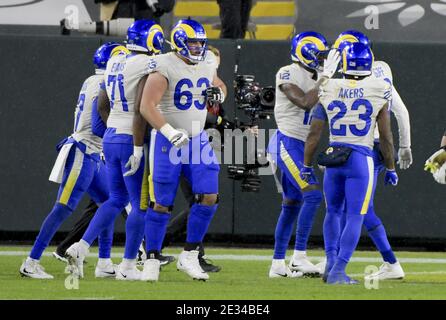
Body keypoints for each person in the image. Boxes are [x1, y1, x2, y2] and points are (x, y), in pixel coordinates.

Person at [65, 20, 165, 280]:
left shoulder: (114, 62)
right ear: (151, 39)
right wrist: (136, 146)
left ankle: (81, 245)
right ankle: (129, 266)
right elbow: (143, 108)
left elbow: (102, 102)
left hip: (111, 137)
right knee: (139, 205)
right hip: (132, 137)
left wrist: (115, 126)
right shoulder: (148, 64)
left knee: (115, 199)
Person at [19, 42, 125, 279]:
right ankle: (31, 261)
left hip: (93, 153)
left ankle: (104, 263)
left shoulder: (93, 80)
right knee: (63, 207)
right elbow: (98, 127)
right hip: (83, 151)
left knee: (108, 202)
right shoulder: (104, 83)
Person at [138, 19, 227, 282]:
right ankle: (152, 257)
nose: (198, 47)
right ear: (178, 42)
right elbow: (147, 105)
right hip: (169, 141)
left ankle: (189, 255)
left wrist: (219, 94)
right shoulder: (165, 63)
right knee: (162, 203)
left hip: (197, 139)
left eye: (201, 42)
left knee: (209, 195)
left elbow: (219, 85)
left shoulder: (208, 60)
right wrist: (168, 131)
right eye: (192, 42)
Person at [303, 42, 397, 284]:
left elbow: (314, 134)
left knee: (332, 212)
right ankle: (337, 271)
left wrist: (306, 165)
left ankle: (331, 263)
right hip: (360, 158)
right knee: (356, 215)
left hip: (334, 157)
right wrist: (390, 167)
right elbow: (386, 137)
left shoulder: (329, 86)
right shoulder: (380, 87)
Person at [328, 30, 411, 281]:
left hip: (364, 149)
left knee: (356, 209)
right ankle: (338, 261)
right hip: (363, 148)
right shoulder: (379, 74)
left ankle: (344, 263)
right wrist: (405, 146)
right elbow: (401, 112)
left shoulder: (343, 79)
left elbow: (395, 113)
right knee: (355, 208)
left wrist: (399, 152)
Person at [266, 32, 339, 278]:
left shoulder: (320, 76)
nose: (321, 60)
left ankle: (277, 264)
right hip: (287, 142)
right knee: (313, 195)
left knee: (292, 203)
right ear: (304, 53)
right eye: (318, 55)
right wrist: (326, 78)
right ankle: (298, 257)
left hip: (302, 144)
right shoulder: (287, 72)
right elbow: (306, 102)